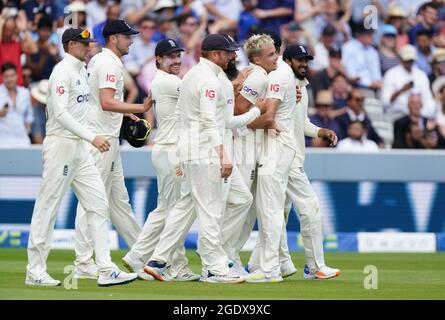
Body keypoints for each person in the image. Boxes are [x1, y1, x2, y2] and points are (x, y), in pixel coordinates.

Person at [26, 28, 137, 287]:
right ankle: (35, 271)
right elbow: (61, 114)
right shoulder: (63, 71)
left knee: (98, 204)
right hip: (61, 146)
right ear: (71, 44)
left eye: (89, 43)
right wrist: (91, 136)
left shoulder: (81, 71)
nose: (88, 47)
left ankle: (104, 268)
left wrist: (121, 118)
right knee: (48, 207)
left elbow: (85, 109)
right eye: (84, 44)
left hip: (80, 149)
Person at [144, 34, 244, 284]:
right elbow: (210, 120)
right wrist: (222, 154)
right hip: (204, 151)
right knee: (210, 209)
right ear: (214, 54)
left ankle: (158, 259)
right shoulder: (209, 80)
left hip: (191, 149)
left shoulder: (192, 75)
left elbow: (183, 114)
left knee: (186, 207)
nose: (233, 56)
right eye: (228, 52)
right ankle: (214, 269)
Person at [247, 44, 340, 281]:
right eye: (299, 60)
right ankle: (271, 266)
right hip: (277, 153)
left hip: (291, 156)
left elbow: (301, 122)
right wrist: (241, 122)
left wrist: (321, 131)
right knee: (281, 211)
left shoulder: (301, 86)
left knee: (294, 211)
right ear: (286, 60)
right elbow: (268, 114)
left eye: (306, 60)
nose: (304, 64)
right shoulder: (280, 78)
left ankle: (269, 264)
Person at [73, 20, 152, 280]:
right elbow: (107, 102)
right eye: (127, 36)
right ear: (114, 38)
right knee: (92, 203)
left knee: (119, 202)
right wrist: (138, 109)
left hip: (106, 138)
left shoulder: (100, 60)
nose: (131, 40)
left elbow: (100, 101)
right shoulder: (107, 63)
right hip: (100, 141)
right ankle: (84, 262)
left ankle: (141, 257)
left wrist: (124, 116)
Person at [122, 39, 200, 282]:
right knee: (175, 211)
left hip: (168, 150)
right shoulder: (168, 81)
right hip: (171, 151)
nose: (176, 61)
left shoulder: (167, 80)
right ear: (158, 59)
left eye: (178, 56)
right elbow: (201, 99)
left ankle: (143, 258)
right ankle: (167, 264)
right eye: (170, 57)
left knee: (168, 210)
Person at [382, 44, 436, 120]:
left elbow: (428, 99)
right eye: (407, 60)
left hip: (419, 116)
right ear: (401, 59)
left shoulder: (421, 75)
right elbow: (386, 102)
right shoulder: (391, 74)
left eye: (411, 60)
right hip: (397, 116)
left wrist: (420, 114)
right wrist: (401, 90)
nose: (409, 63)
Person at [0, 62, 33, 146]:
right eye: (6, 76)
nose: (10, 79)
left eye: (12, 75)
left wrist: (27, 129)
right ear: (2, 77)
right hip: (3, 140)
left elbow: (29, 115)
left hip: (22, 139)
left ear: (17, 76)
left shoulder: (25, 93)